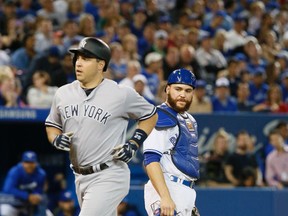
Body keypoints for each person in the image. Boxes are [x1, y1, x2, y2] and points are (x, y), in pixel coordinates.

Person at [45, 37, 158, 216]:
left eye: (86, 58)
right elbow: (52, 125)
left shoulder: (121, 94)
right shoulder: (63, 93)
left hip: (109, 174)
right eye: (78, 58)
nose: (78, 63)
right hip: (79, 176)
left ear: (100, 64)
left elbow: (151, 115)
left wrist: (134, 143)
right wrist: (55, 138)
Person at [143, 68, 200, 216]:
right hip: (166, 187)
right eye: (178, 89)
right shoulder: (160, 116)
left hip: (184, 191)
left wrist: (188, 202)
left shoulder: (189, 120)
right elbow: (151, 160)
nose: (182, 94)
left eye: (188, 90)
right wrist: (165, 197)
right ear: (167, 89)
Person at [1, 151, 48, 216]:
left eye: (32, 162)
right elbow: (8, 189)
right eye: (27, 162)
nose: (29, 165)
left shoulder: (41, 174)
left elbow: (39, 189)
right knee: (6, 211)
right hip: (11, 202)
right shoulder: (15, 171)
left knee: (43, 200)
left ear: (36, 163)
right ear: (22, 163)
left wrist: (36, 195)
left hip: (28, 203)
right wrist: (27, 196)